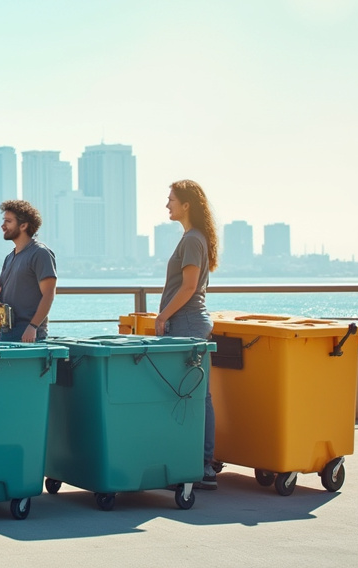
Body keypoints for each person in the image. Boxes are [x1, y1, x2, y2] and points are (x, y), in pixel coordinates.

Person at [156, 179, 220, 491]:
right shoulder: (191, 238)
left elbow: (190, 287)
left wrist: (163, 315)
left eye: (171, 199)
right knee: (187, 395)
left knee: (196, 396)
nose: (167, 204)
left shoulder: (193, 240)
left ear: (186, 205)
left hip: (188, 325)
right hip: (185, 324)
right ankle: (192, 461)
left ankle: (204, 466)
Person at [0, 200, 57, 343]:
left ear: (23, 225)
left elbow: (49, 294)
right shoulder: (9, 257)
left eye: (8, 221)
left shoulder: (40, 253)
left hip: (29, 335)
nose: (3, 226)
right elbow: (1, 290)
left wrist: (33, 326)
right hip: (5, 333)